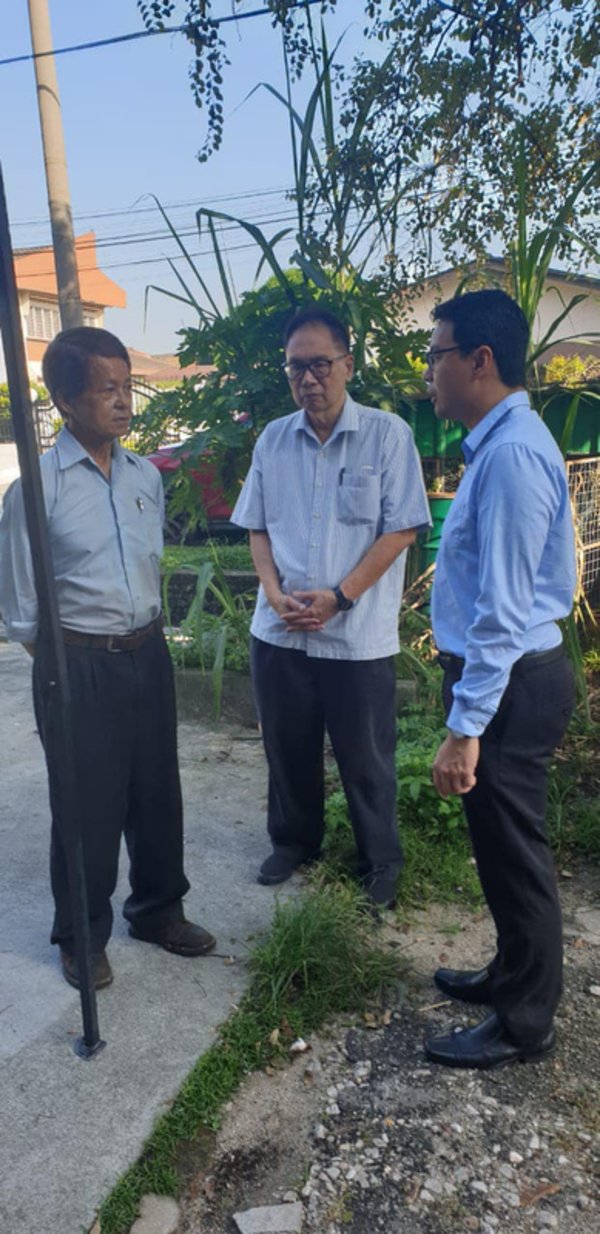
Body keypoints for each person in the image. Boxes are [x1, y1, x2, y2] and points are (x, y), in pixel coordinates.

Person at [0, 327, 216, 989]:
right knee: (87, 802)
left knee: (156, 791)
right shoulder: (36, 488)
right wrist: (69, 664)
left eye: (128, 386)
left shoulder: (143, 474)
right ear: (65, 400)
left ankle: (156, 910)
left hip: (146, 654)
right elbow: (20, 605)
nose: (124, 402)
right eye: (106, 389)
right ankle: (81, 936)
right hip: (76, 663)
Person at [231, 305, 431, 909]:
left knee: (366, 757)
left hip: (356, 634)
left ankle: (380, 862)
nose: (309, 378)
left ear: (348, 363)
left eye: (320, 364)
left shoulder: (386, 434)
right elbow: (257, 527)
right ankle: (294, 842)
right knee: (286, 749)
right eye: (297, 367)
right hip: (282, 632)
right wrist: (271, 595)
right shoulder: (273, 438)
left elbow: (402, 531)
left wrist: (341, 596)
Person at [423, 289, 576, 1070]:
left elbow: (503, 612)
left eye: (436, 354)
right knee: (498, 849)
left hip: (513, 682)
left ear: (480, 361)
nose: (429, 374)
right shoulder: (502, 441)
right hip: (508, 680)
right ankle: (510, 974)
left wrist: (464, 727)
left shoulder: (513, 455)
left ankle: (526, 1023)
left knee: (516, 858)